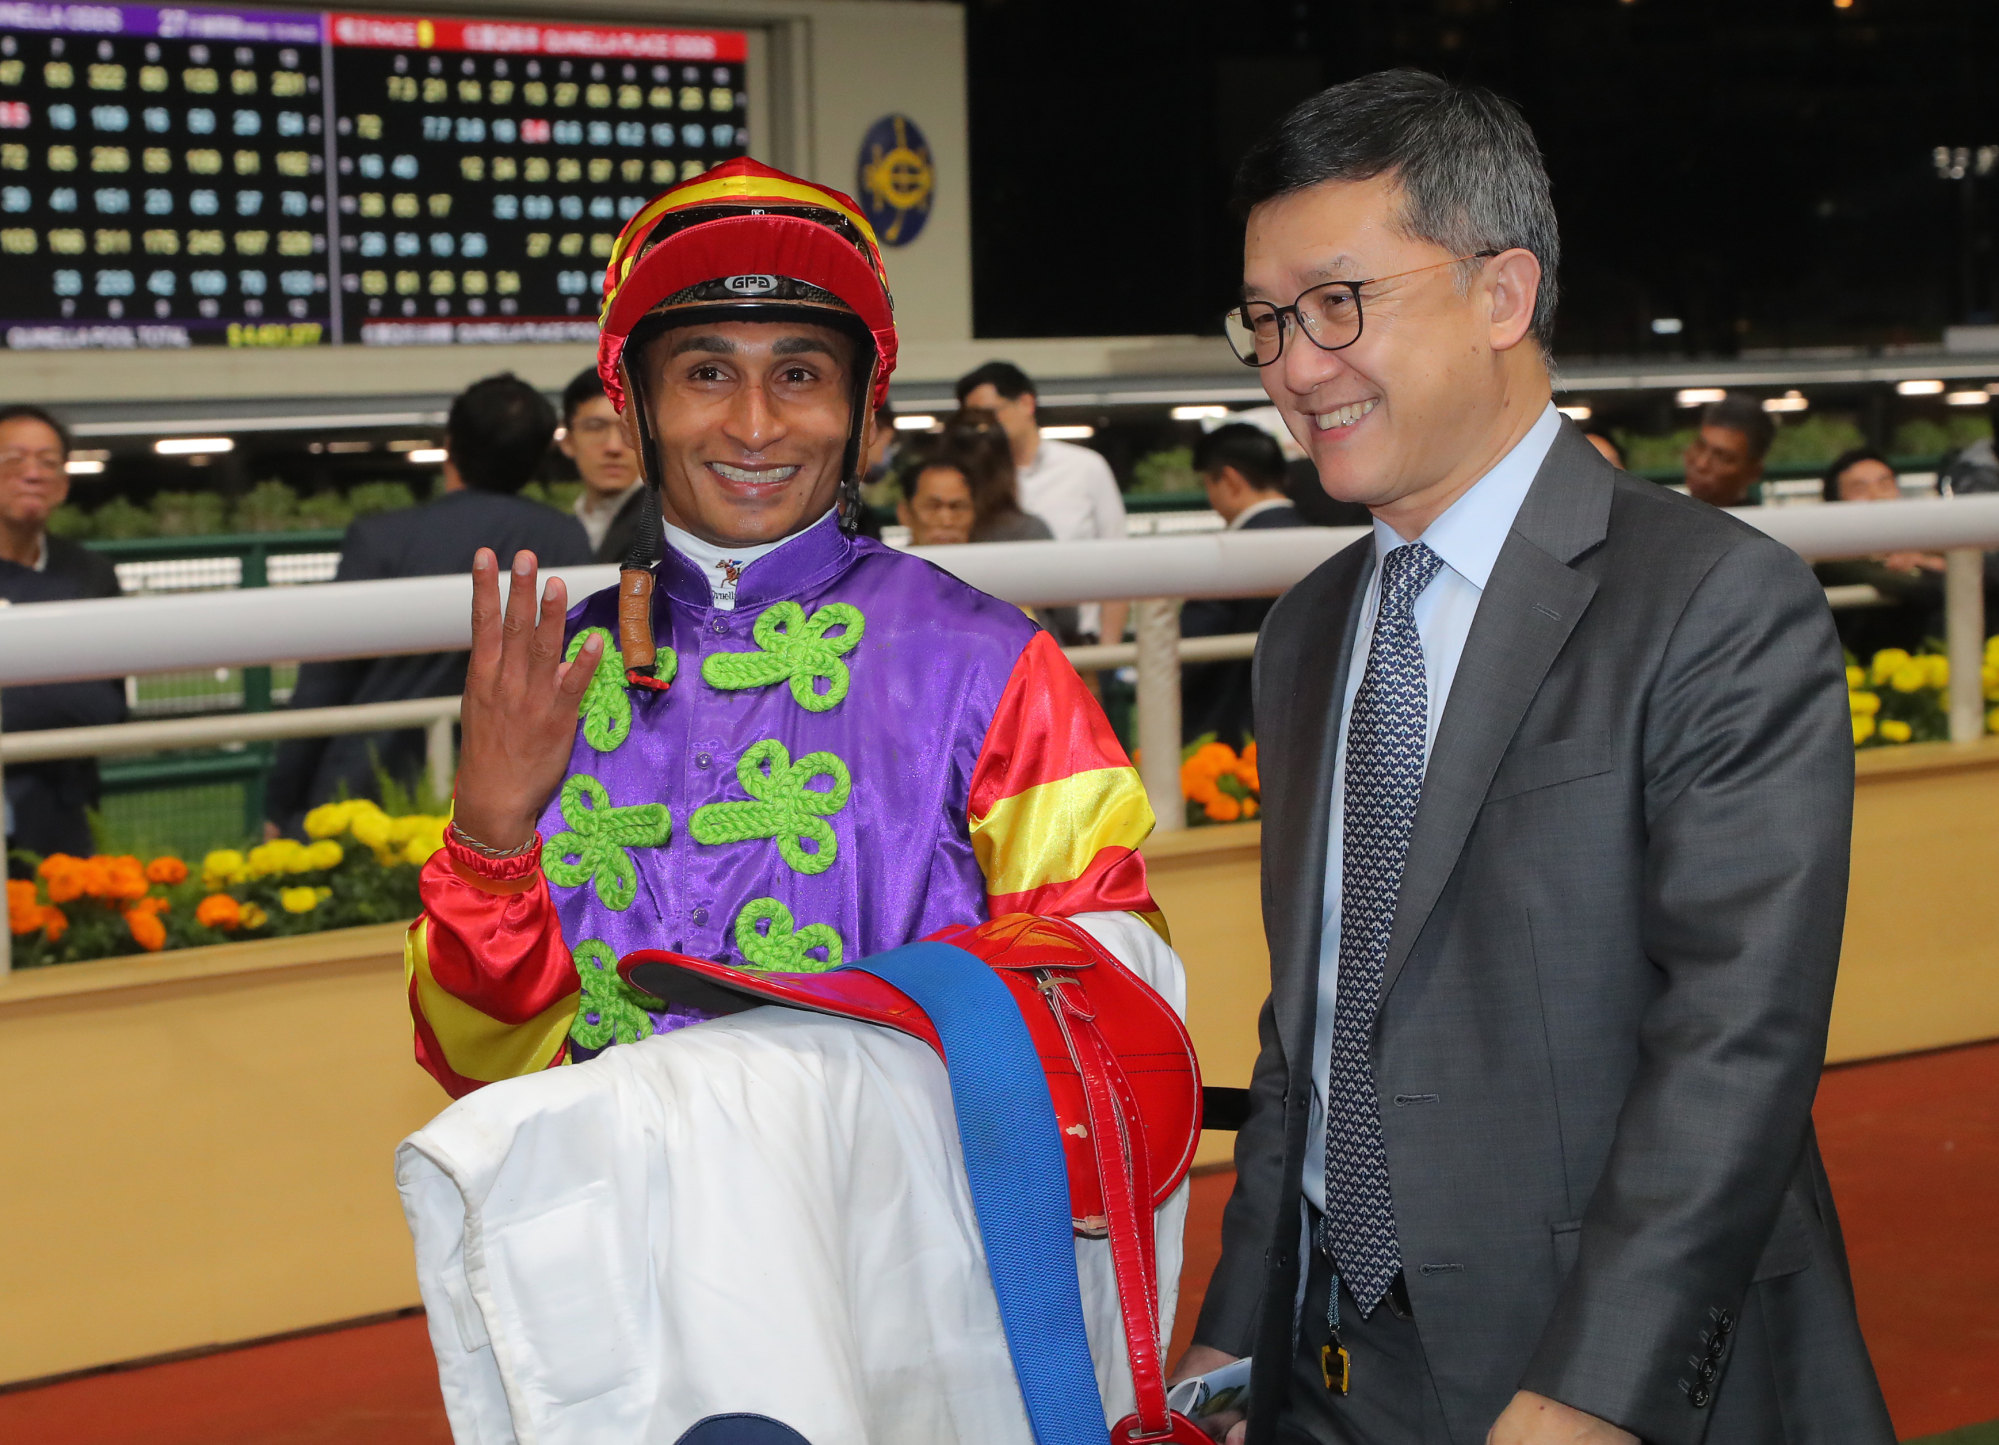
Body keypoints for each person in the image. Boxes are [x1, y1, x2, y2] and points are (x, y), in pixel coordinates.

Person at [395, 159, 1188, 1441]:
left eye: (801, 374)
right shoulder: (555, 670)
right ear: (635, 405)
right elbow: (474, 1059)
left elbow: (1110, 1002)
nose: (754, 423)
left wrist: (805, 1090)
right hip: (628, 1292)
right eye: (706, 371)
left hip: (918, 1299)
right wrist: (488, 838)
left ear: (866, 418)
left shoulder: (996, 664)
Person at [1178, 69, 1891, 1445]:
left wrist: (1587, 1395)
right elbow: (1306, 1032)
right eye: (1263, 319)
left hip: (1599, 1372)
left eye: (1336, 304)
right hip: (1330, 1368)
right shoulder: (1306, 634)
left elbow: (1733, 1046)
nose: (1290, 365)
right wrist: (1231, 1328)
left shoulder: (1709, 604)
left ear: (1500, 297)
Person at [265, 373, 590, 833]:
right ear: (538, 455)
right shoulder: (565, 538)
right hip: (512, 803)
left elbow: (323, 682)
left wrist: (281, 804)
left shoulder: (381, 537)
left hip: (363, 799)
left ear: (450, 446)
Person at [0, 404, 124, 862]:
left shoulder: (90, 574)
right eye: (13, 459)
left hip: (66, 817)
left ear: (64, 485)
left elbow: (106, 706)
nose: (32, 474)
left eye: (48, 462)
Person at [956, 360, 1130, 644]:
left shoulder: (1085, 467)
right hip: (1000, 643)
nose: (984, 427)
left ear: (1026, 403)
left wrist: (1106, 654)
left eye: (991, 413)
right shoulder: (972, 482)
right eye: (973, 420)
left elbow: (1119, 563)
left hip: (1079, 639)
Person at [900, 413, 1081, 642]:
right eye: (933, 506)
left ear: (973, 510)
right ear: (904, 513)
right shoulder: (884, 582)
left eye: (958, 507)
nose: (946, 520)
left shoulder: (1006, 586)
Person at [1181, 422, 1303, 748]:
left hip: (1229, 740)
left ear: (1231, 480)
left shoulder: (1223, 556)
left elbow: (1189, 655)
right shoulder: (1327, 545)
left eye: (1209, 483)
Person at [1813, 447, 1944, 658]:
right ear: (1835, 505)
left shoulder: (1927, 548)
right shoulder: (1835, 562)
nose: (1877, 497)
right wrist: (1933, 567)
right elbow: (1924, 589)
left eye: (1885, 485)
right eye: (1860, 489)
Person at [559, 365, 654, 564]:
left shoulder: (670, 524)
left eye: (630, 427)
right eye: (595, 428)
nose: (613, 447)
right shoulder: (558, 525)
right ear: (568, 441)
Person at [1682, 395, 1772, 508]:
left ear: (1753, 473)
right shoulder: (1663, 518)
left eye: (1723, 457)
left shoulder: (1755, 524)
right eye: (1699, 447)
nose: (1701, 464)